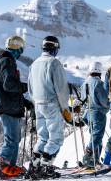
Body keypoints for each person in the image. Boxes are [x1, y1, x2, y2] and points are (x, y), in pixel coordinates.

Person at [0, 35, 32, 178]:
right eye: (21, 50)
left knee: (15, 138)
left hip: (10, 106)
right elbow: (9, 85)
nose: (21, 53)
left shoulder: (7, 61)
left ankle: (10, 167)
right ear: (17, 49)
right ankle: (4, 167)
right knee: (11, 138)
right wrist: (28, 87)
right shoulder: (7, 62)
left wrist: (25, 102)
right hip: (7, 108)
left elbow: (11, 89)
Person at [27, 36, 72, 179]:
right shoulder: (54, 63)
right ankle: (46, 166)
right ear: (55, 48)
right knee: (56, 138)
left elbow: (30, 87)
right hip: (51, 103)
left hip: (38, 104)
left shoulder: (34, 64)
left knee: (43, 137)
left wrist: (35, 102)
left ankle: (35, 165)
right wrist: (66, 108)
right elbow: (61, 89)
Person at [80, 61, 109, 167]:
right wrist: (108, 106)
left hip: (87, 114)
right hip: (98, 113)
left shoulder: (84, 83)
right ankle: (89, 154)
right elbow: (104, 101)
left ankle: (94, 160)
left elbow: (82, 99)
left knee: (94, 136)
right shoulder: (99, 84)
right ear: (99, 71)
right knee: (97, 136)